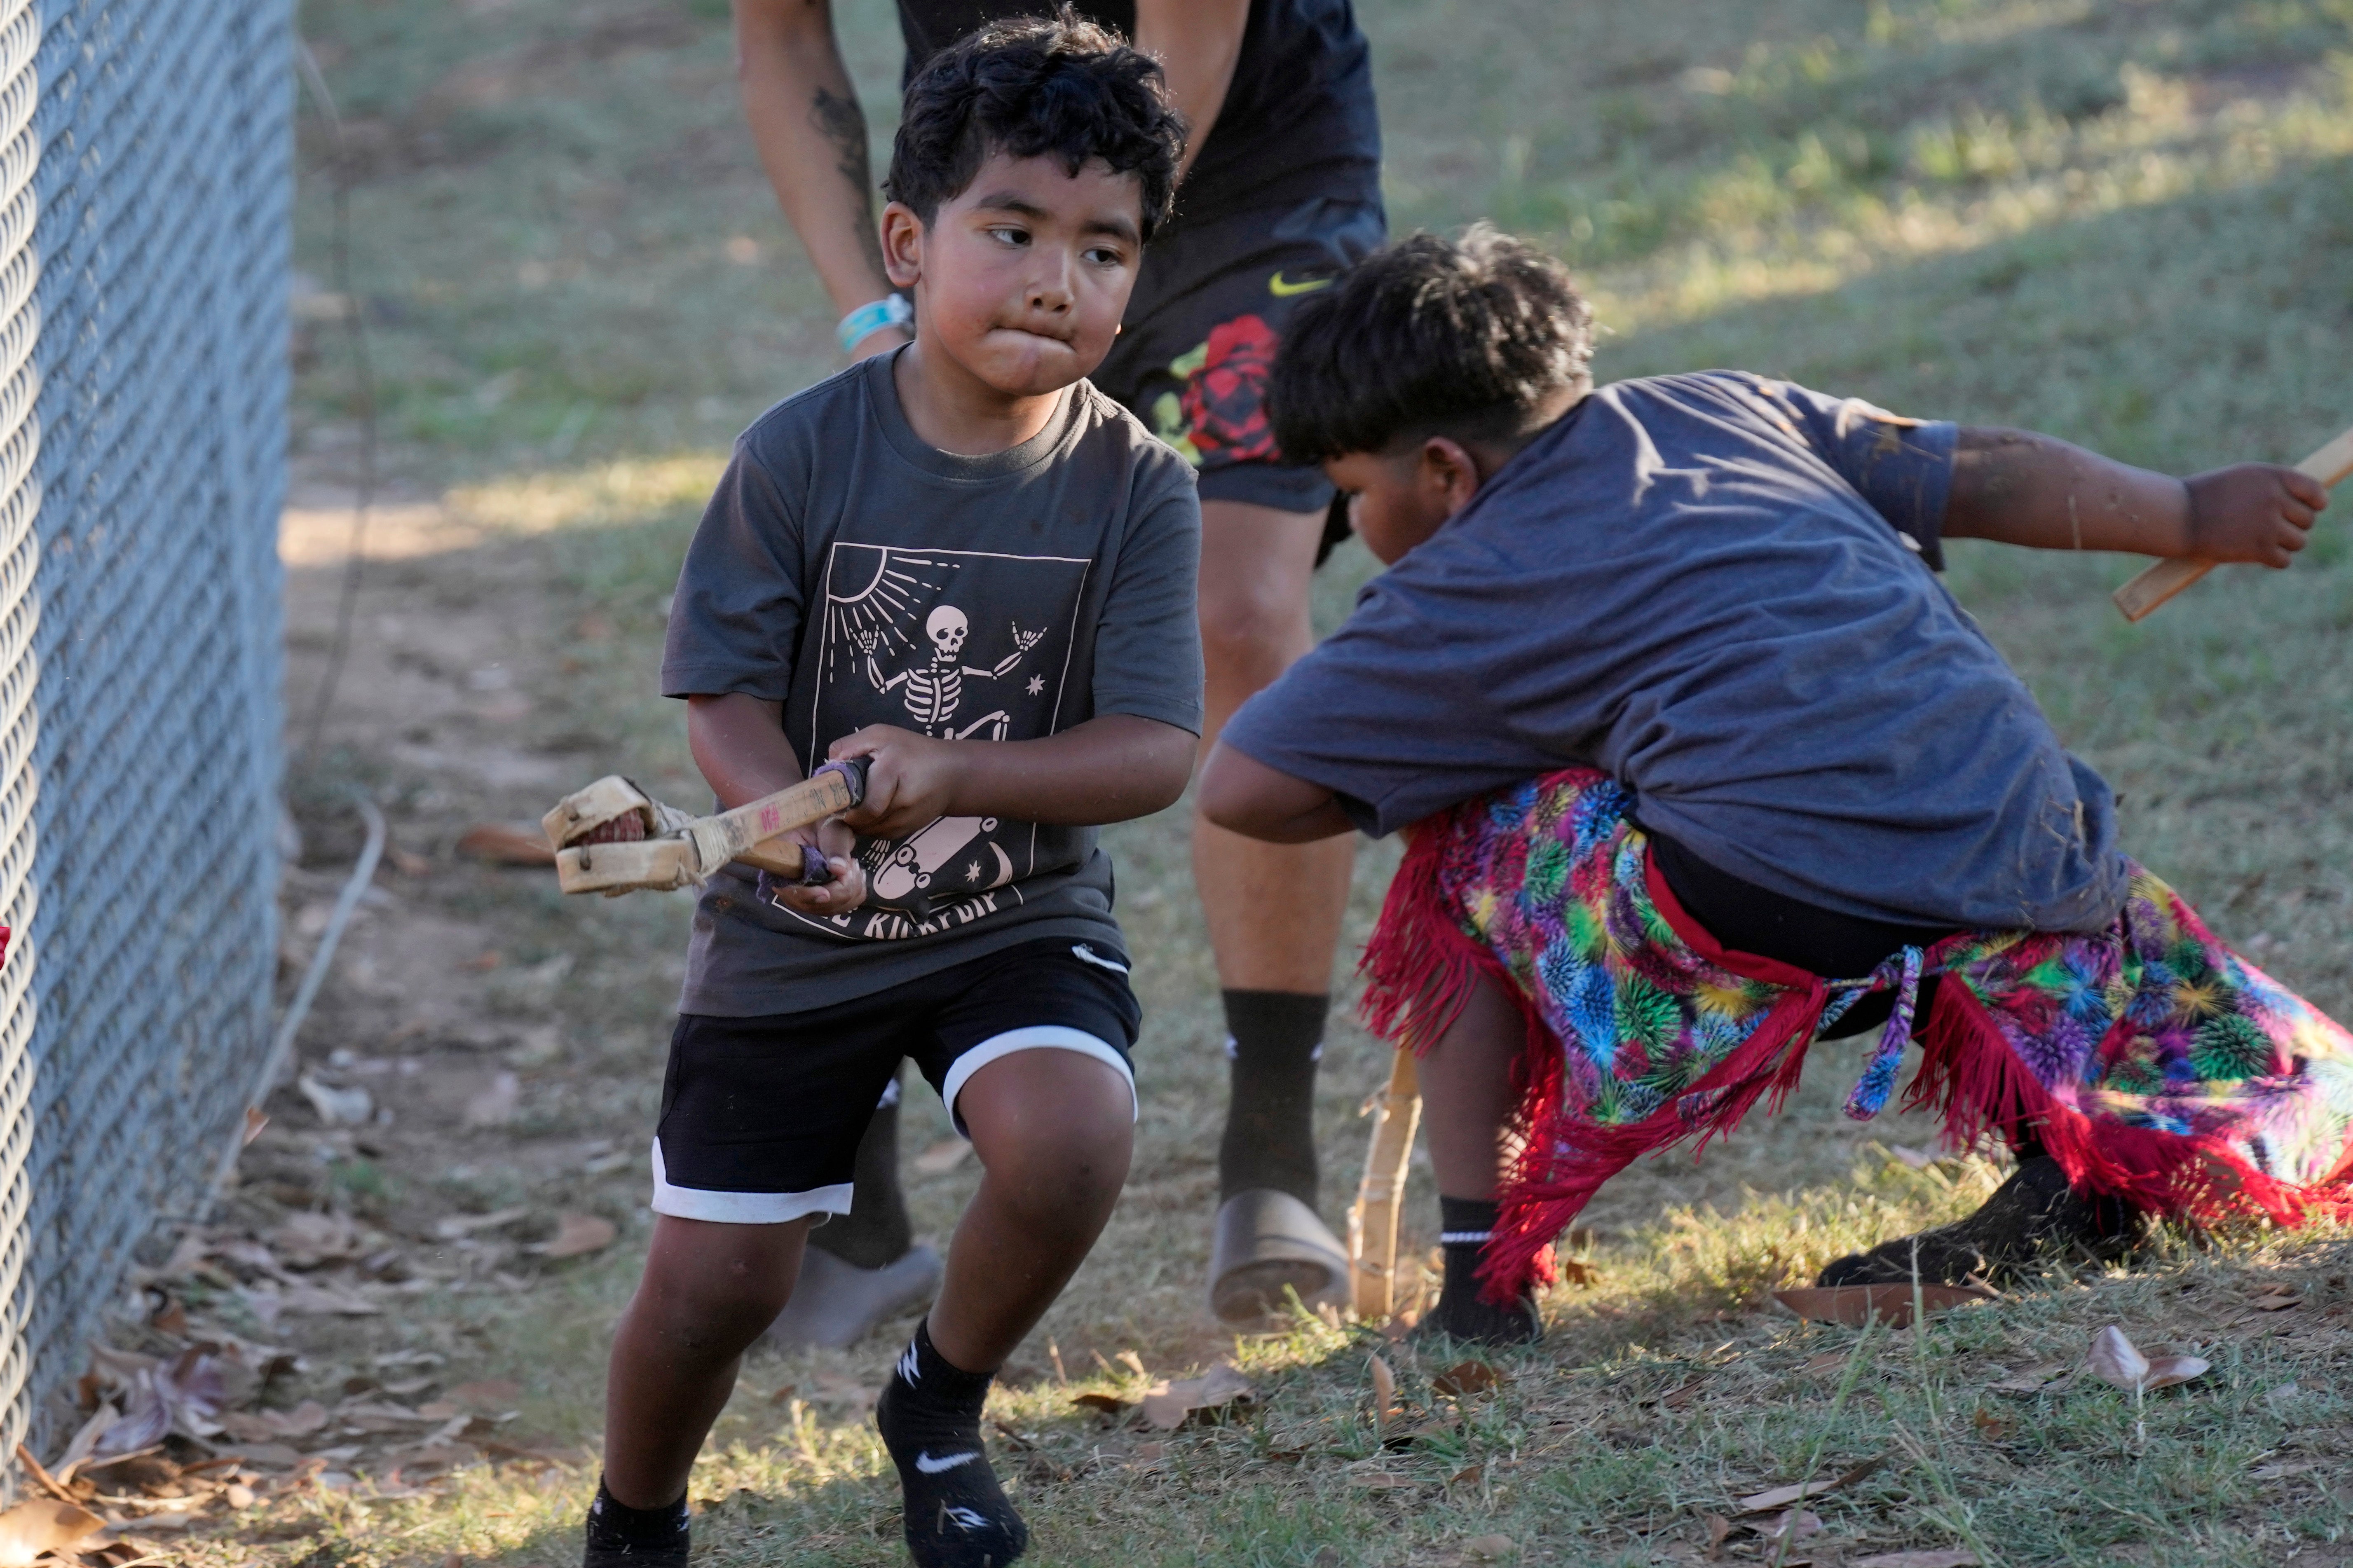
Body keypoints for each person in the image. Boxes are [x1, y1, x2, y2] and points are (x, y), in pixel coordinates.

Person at [1198, 227, 2353, 1346]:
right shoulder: (1723, 405)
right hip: (2028, 855)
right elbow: (1981, 474)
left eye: (1353, 496)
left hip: (1775, 912)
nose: (1354, 528)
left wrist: (1494, 758)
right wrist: (2192, 512)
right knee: (1937, 850)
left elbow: (1242, 790)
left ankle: (1479, 1289)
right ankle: (2085, 1165)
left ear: (1444, 474)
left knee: (1458, 839)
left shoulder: (1448, 589)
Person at [586, 23, 1198, 1567]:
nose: (1060, 279)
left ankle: (935, 1409)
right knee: (719, 1288)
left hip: (1012, 912)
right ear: (910, 247)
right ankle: (636, 1521)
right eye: (1014, 231)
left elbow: (1150, 747)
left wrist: (959, 773)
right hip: (795, 935)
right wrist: (785, 830)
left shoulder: (1139, 485)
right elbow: (716, 689)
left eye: (1105, 249)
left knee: (1070, 1137)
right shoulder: (799, 455)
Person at [732, 0, 1387, 1333]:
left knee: (1238, 612)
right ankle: (847, 1191)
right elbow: (783, 36)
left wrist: (1074, 281)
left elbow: (1185, 41)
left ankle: (1271, 1152)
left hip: (1250, 169)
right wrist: (881, 311)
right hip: (993, 166)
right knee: (893, 606)